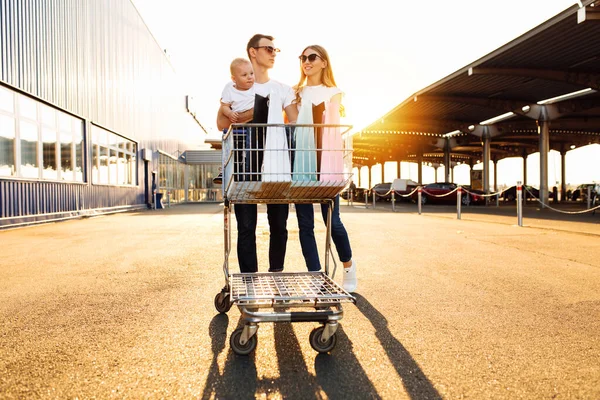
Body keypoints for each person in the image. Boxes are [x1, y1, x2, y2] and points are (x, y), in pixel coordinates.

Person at [216, 34, 298, 273]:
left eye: (276, 50)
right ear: (253, 52)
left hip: (277, 165)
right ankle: (249, 282)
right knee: (246, 227)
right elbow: (221, 121)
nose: (274, 53)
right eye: (269, 48)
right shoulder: (236, 86)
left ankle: (276, 276)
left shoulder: (282, 89)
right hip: (245, 165)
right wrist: (258, 110)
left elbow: (296, 122)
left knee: (279, 226)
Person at [293, 44, 357, 292]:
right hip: (302, 161)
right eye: (302, 57)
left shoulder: (334, 92)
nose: (306, 61)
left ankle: (349, 266)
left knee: (333, 220)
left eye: (311, 57)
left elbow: (333, 123)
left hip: (326, 161)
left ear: (323, 62)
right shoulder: (296, 92)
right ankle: (315, 275)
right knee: (305, 224)